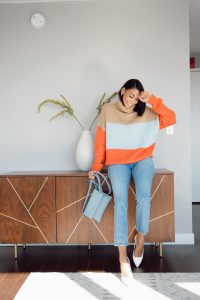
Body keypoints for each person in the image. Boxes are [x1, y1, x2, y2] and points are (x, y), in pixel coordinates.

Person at [88, 78, 176, 286]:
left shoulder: (147, 110)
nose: (132, 101)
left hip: (142, 160)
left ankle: (140, 239)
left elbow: (171, 118)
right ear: (122, 91)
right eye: (130, 96)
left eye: (137, 98)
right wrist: (96, 167)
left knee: (144, 196)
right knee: (120, 201)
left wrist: (152, 99)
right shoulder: (108, 110)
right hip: (118, 162)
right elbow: (101, 140)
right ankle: (122, 257)